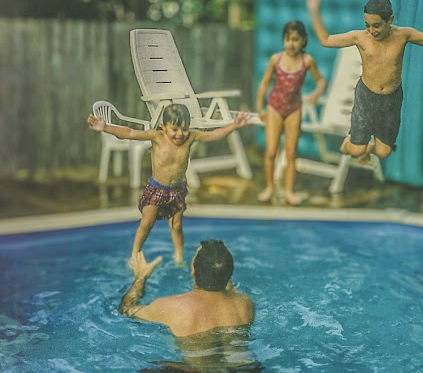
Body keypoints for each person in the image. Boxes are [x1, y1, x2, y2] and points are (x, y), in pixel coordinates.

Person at [307, 0, 423, 164]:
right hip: (366, 97)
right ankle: (350, 143)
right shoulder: (360, 37)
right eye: (367, 25)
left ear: (390, 20)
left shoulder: (403, 35)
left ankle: (366, 150)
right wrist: (314, 9)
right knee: (356, 150)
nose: (371, 31)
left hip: (391, 99)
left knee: (383, 152)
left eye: (376, 26)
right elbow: (325, 40)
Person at [87, 105, 249, 266]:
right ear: (163, 126)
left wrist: (234, 125)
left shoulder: (190, 137)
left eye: (184, 129)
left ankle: (179, 256)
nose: (180, 134)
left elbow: (213, 134)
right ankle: (135, 254)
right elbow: (129, 133)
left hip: (177, 189)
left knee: (176, 225)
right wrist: (106, 127)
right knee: (147, 223)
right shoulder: (156, 136)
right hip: (157, 188)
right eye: (175, 129)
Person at [119, 239, 255, 337]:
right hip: (247, 367)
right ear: (229, 273)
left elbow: (126, 310)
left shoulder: (173, 308)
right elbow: (224, 280)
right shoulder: (245, 303)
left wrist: (141, 278)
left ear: (193, 271)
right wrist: (220, 269)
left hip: (194, 370)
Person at [256, 20, 326, 206]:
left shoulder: (307, 61)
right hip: (274, 107)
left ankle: (289, 191)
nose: (291, 44)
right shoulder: (276, 59)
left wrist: (316, 94)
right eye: (288, 39)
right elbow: (264, 84)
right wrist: (260, 107)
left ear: (303, 40)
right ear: (283, 40)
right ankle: (270, 187)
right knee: (271, 151)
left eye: (295, 39)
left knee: (291, 153)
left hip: (294, 109)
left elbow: (321, 81)